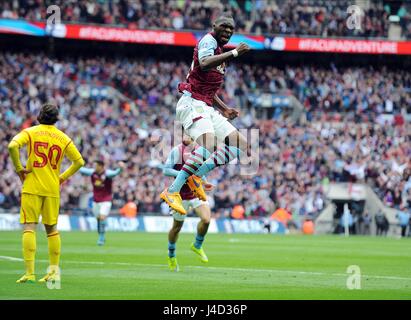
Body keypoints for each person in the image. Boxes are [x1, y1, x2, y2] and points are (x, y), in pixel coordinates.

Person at [160, 13, 251, 215]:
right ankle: (172, 190)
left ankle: (196, 176)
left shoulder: (219, 50)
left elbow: (208, 88)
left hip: (206, 105)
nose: (228, 31)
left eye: (231, 29)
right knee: (209, 143)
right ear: (214, 26)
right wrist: (235, 53)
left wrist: (224, 108)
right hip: (192, 103)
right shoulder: (208, 42)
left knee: (241, 143)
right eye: (224, 27)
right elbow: (204, 63)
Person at [8, 103, 84, 283]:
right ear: (57, 119)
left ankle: (30, 272)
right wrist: (62, 178)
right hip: (52, 188)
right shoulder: (63, 137)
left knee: (29, 227)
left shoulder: (31, 132)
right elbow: (79, 162)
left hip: (32, 186)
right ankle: (54, 272)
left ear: (40, 115)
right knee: (52, 230)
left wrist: (19, 168)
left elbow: (12, 146)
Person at [163, 135, 214, 272]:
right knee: (176, 227)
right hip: (180, 195)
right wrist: (183, 173)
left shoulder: (199, 150)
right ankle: (171, 254)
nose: (185, 136)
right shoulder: (177, 151)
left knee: (206, 219)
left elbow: (199, 170)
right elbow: (166, 170)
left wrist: (205, 181)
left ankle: (197, 245)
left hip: (195, 192)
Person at [79, 159, 126, 245]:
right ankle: (101, 233)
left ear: (101, 166)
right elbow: (81, 169)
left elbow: (115, 173)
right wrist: (75, 162)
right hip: (96, 200)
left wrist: (121, 168)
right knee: (98, 220)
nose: (94, 167)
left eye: (95, 165)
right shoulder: (92, 172)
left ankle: (101, 238)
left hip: (106, 200)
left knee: (102, 217)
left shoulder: (107, 174)